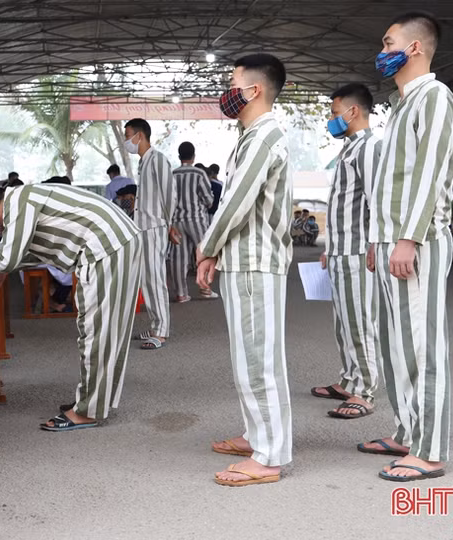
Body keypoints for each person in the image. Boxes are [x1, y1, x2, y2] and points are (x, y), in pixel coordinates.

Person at [361, 11, 453, 482]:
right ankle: (407, 431)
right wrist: (378, 239)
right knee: (395, 345)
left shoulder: (435, 98)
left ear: (415, 48)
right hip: (393, 241)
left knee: (422, 345)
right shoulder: (401, 106)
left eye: (388, 42)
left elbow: (430, 175)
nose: (381, 51)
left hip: (417, 242)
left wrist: (406, 238)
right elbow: (391, 182)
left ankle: (431, 450)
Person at [0, 181, 141, 431]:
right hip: (114, 242)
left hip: (105, 248)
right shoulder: (23, 198)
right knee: (101, 328)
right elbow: (25, 253)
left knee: (96, 330)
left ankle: (88, 411)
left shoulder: (20, 204)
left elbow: (9, 259)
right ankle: (91, 402)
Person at [196, 53, 293, 486]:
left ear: (254, 90)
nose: (227, 91)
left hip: (255, 262)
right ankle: (258, 434)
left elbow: (234, 204)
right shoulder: (252, 134)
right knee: (247, 357)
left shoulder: (263, 137)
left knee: (259, 360)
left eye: (233, 82)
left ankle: (270, 455)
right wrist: (216, 251)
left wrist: (206, 247)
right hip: (244, 260)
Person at [314, 83, 383, 420]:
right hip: (342, 251)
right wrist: (330, 247)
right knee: (344, 322)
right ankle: (349, 379)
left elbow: (376, 202)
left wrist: (373, 245)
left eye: (334, 111)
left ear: (353, 111)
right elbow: (343, 206)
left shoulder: (370, 147)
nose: (331, 118)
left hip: (359, 253)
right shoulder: (349, 149)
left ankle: (365, 390)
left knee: (360, 322)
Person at [124, 118, 178, 350]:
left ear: (140, 136)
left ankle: (161, 331)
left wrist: (170, 224)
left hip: (155, 226)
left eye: (128, 136)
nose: (126, 141)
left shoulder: (158, 160)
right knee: (148, 278)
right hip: (144, 227)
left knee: (155, 278)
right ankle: (156, 324)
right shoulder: (144, 163)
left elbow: (170, 194)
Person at [168, 141, 217, 303]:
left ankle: (181, 293)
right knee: (204, 254)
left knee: (178, 258)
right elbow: (208, 199)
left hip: (176, 222)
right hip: (196, 220)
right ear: (194, 156)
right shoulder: (199, 174)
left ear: (179, 156)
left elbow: (167, 200)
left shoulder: (172, 174)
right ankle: (205, 290)